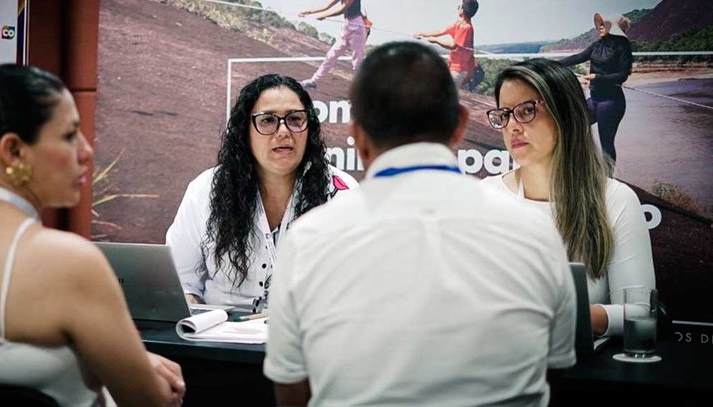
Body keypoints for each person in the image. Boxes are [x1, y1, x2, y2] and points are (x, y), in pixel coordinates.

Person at [264, 42, 576, 406]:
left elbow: (291, 390)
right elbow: (555, 369)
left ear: (358, 136)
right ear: (459, 125)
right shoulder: (534, 232)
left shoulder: (308, 239)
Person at [0, 64, 185, 407]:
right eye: (70, 136)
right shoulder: (68, 260)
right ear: (13, 151)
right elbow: (150, 400)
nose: (86, 151)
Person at [482, 58, 655, 338]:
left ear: (566, 113)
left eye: (527, 110)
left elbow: (640, 313)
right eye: (504, 115)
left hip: (580, 375)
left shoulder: (615, 200)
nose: (512, 126)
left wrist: (569, 315)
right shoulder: (484, 197)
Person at [166, 74, 357, 311]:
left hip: (308, 336)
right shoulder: (205, 189)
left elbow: (359, 289)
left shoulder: (342, 193)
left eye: (295, 119)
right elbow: (181, 284)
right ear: (244, 130)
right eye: (267, 120)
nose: (284, 131)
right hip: (220, 341)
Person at [561, 13, 633, 166]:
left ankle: (609, 179)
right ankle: (580, 166)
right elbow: (577, 58)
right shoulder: (597, 45)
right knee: (573, 125)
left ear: (612, 28)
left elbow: (622, 75)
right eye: (599, 24)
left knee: (606, 143)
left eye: (604, 25)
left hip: (611, 102)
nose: (600, 27)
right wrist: (553, 65)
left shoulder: (623, 46)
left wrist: (598, 77)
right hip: (594, 100)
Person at [298, 0, 367, 90]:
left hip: (357, 28)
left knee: (357, 62)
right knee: (331, 55)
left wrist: (325, 15)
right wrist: (309, 12)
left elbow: (342, 9)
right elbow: (327, 6)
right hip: (347, 27)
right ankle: (313, 81)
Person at [414, 0, 479, 90]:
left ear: (464, 10)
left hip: (459, 70)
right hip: (452, 66)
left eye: (460, 6)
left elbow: (453, 45)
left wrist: (436, 41)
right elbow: (442, 31)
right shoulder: (458, 24)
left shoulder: (466, 28)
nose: (458, 7)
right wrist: (423, 34)